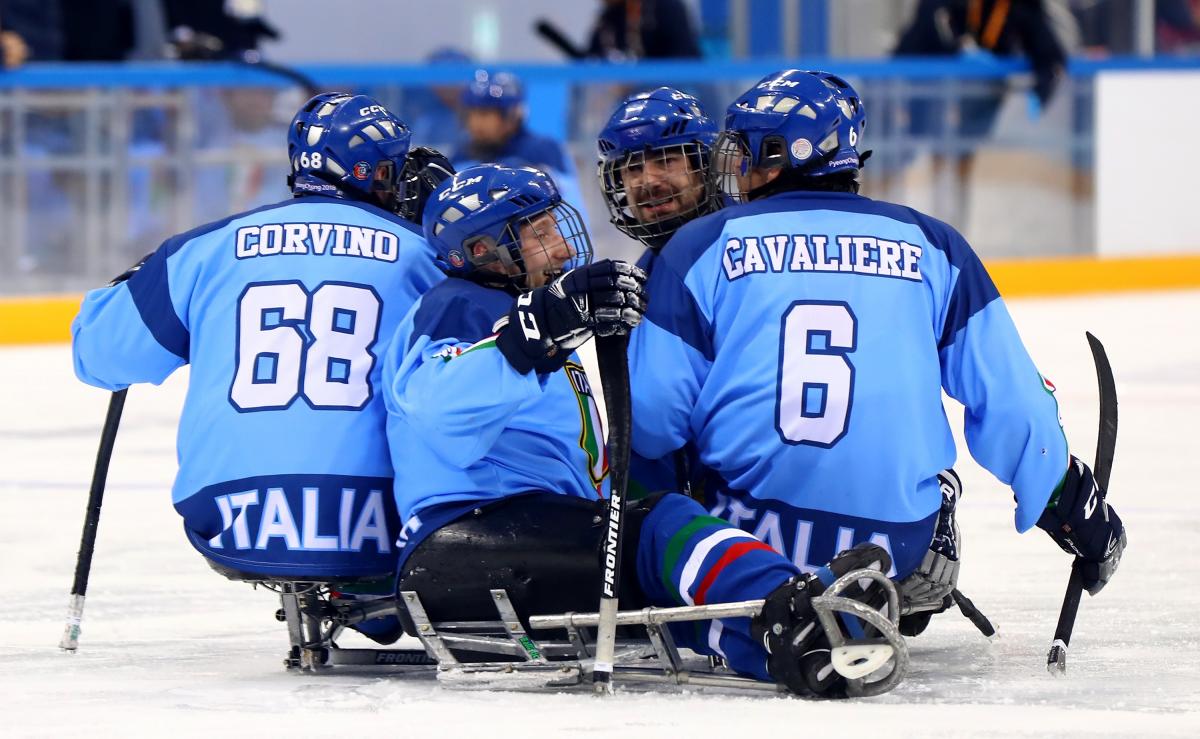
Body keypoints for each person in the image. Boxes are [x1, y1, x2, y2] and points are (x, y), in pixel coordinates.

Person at [627, 69, 1127, 630]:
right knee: (929, 468)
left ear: (789, 153)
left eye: (751, 152)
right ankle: (909, 557)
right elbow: (1015, 406)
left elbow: (648, 420)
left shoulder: (702, 244)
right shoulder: (937, 246)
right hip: (895, 543)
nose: (739, 168)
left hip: (743, 539)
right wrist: (1066, 502)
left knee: (653, 480)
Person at [381, 163, 898, 698]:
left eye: (553, 227)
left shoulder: (515, 313)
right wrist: (542, 326)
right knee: (662, 524)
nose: (559, 246)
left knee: (669, 594)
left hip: (502, 549)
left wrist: (550, 326)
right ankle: (785, 600)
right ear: (484, 250)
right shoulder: (459, 305)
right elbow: (436, 409)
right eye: (537, 233)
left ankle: (793, 646)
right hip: (462, 542)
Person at [71, 93, 448, 587]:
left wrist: (133, 282)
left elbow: (97, 355)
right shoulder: (423, 254)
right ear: (371, 172)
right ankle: (371, 603)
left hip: (228, 517)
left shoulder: (205, 248)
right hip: (386, 520)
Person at [450, 69, 589, 227]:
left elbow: (569, 206)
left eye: (485, 114)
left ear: (512, 114)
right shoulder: (462, 154)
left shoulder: (542, 149)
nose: (475, 123)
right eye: (471, 114)